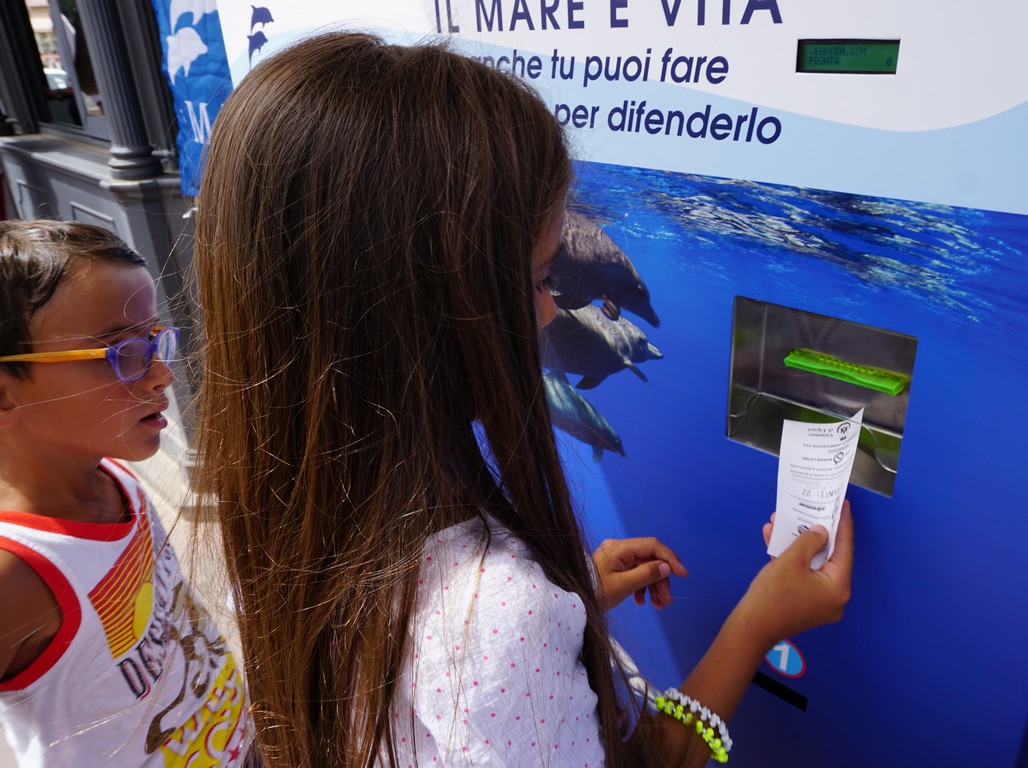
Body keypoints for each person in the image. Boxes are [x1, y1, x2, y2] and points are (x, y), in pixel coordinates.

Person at [192, 31, 853, 768]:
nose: (549, 314)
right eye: (539, 281)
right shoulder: (492, 614)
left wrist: (568, 604)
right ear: (419, 312)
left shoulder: (273, 507)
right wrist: (756, 626)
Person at [0, 220, 250, 766]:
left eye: (155, 341)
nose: (161, 374)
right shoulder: (18, 573)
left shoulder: (115, 477)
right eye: (122, 352)